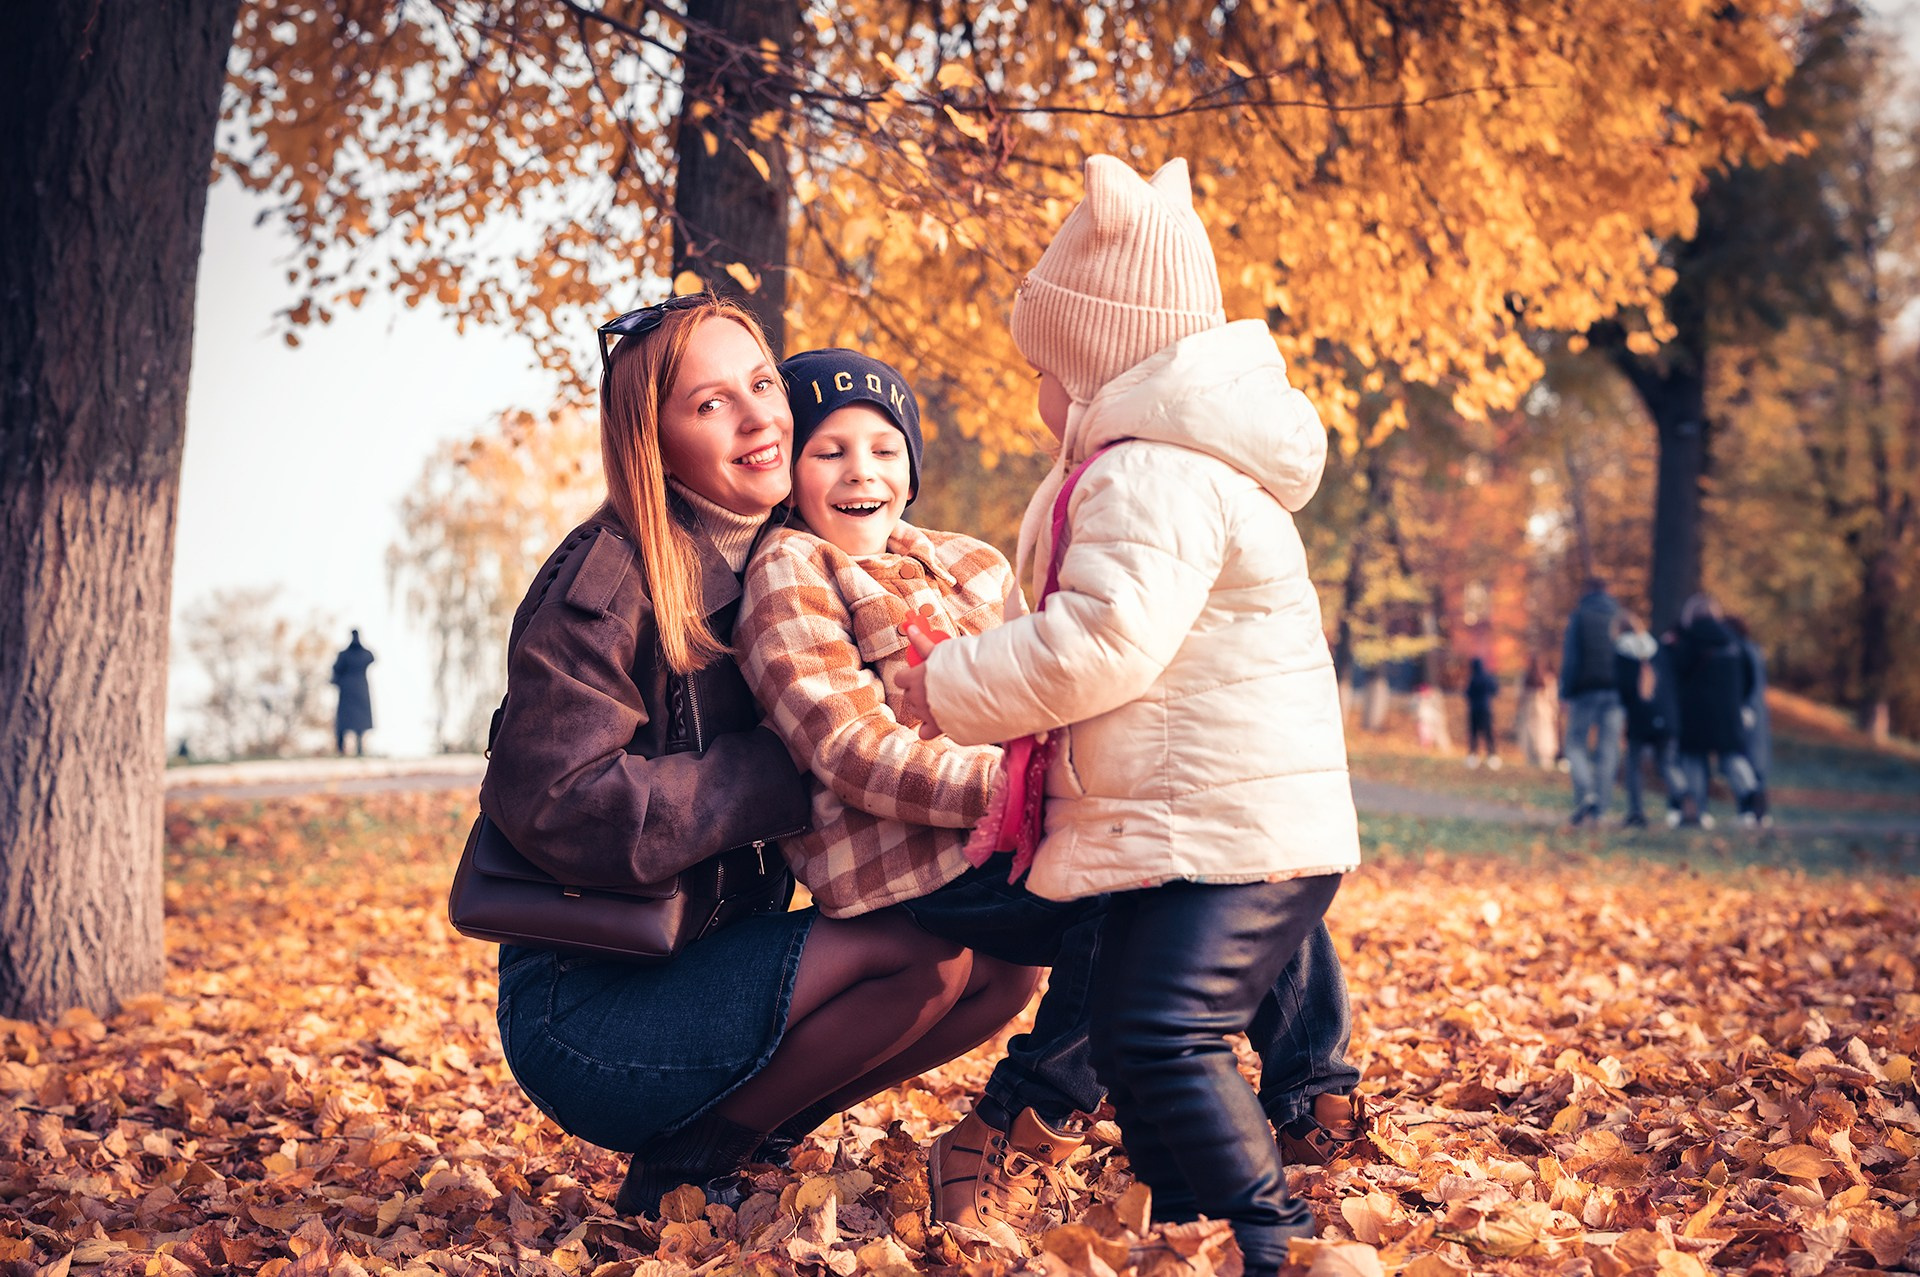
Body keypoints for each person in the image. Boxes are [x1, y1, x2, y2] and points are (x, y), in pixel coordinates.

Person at [737, 347, 1365, 1250]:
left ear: (912, 463)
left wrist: (1085, 784)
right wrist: (1035, 794)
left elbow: (1044, 697)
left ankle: (1310, 1094)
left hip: (1020, 829)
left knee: (1232, 845)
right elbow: (850, 751)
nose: (861, 471)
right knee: (1135, 878)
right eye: (828, 451)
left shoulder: (971, 564)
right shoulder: (793, 570)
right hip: (916, 860)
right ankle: (1016, 1115)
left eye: (882, 447)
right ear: (792, 475)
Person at [896, 154, 1362, 1277]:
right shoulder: (1164, 461)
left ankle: (1277, 1244)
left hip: (1234, 834)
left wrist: (948, 683)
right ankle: (1185, 1232)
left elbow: (1104, 642)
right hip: (1193, 824)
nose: (1040, 397)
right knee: (1139, 1034)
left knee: (1163, 1031)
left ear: (1104, 356)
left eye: (1048, 370)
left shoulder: (1149, 472)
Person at [479, 294, 1036, 1219]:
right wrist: (793, 767)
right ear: (651, 440)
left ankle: (754, 1138)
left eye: (763, 384)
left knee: (1005, 967)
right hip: (590, 1004)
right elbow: (557, 800)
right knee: (922, 956)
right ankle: (693, 1161)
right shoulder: (610, 579)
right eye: (709, 404)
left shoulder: (803, 560)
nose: (756, 418)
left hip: (716, 946)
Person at [1670, 593, 1765, 829]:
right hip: (1728, 713)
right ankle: (1751, 803)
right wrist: (1738, 703)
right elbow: (1750, 679)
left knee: (1693, 759)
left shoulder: (1687, 641)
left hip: (1694, 712)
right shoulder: (1733, 641)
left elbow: (1676, 674)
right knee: (1732, 757)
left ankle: (1699, 812)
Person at [1558, 578, 1625, 826]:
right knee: (1608, 750)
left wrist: (1565, 692)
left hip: (1585, 690)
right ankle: (1601, 807)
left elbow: (1572, 657)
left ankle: (1586, 792)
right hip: (1615, 692)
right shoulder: (1618, 616)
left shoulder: (1580, 616)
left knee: (1575, 743)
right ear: (1608, 591)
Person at [1613, 614, 1686, 828]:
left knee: (1634, 764)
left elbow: (1625, 688)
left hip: (1640, 716)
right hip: (1666, 715)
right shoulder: (1657, 649)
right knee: (1666, 763)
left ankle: (1636, 811)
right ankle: (1686, 797)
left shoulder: (1622, 653)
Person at [1725, 614, 1773, 825]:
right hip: (1755, 711)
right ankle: (1756, 811)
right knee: (1753, 763)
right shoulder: (1753, 650)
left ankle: (1750, 809)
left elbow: (1749, 684)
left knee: (1740, 760)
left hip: (1746, 712)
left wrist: (1743, 708)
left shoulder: (1741, 651)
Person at [330, 630, 375, 755]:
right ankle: (348, 749)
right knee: (351, 722)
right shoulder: (364, 655)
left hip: (348, 689)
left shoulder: (344, 655)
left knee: (347, 721)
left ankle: (347, 749)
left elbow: (336, 669)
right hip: (358, 689)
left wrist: (336, 680)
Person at [1516, 654, 1559, 769]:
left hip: (1529, 712)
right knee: (1544, 737)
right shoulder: (1548, 678)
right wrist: (1555, 711)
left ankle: (1532, 762)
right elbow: (1553, 698)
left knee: (1531, 737)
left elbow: (1520, 697)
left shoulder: (1525, 678)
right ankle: (1545, 763)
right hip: (1544, 713)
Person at [1463, 658, 1501, 769]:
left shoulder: (1472, 678)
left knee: (1474, 735)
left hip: (1474, 710)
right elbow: (1495, 690)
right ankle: (1492, 755)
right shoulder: (1487, 677)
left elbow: (1467, 694)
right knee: (1488, 734)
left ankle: (1473, 756)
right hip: (1486, 709)